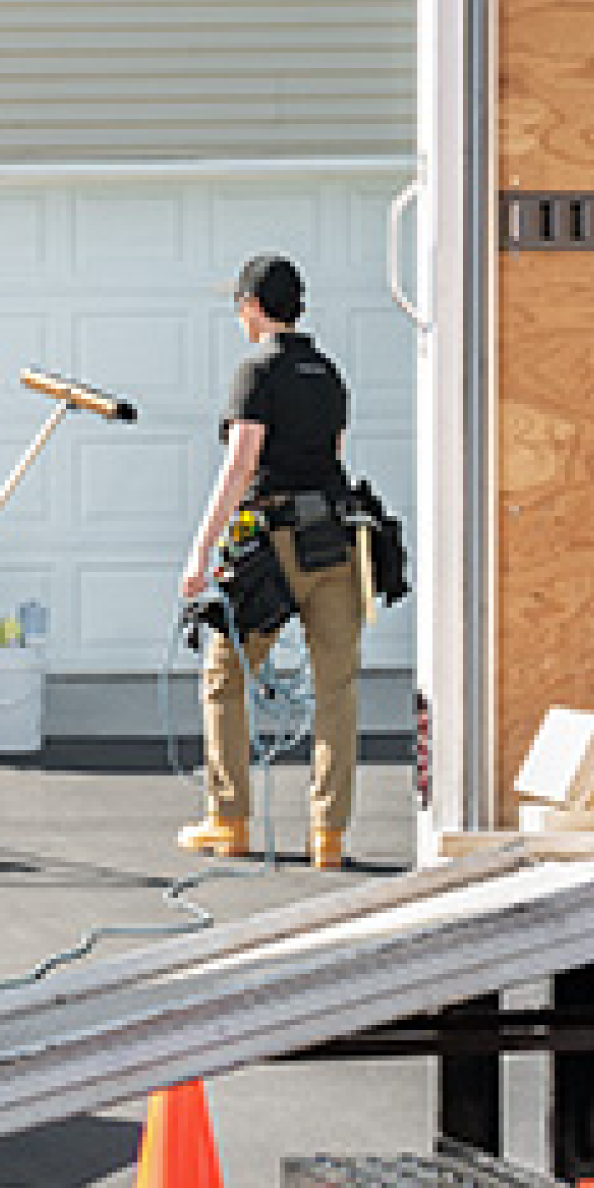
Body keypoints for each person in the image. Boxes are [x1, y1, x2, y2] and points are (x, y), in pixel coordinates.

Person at [179, 252, 369, 869]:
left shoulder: (255, 370)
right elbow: (335, 453)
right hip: (335, 541)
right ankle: (328, 837)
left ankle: (228, 819)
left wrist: (201, 549)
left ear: (254, 307)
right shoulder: (329, 374)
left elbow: (240, 465)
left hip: (275, 546)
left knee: (225, 674)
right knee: (335, 686)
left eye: (240, 305)